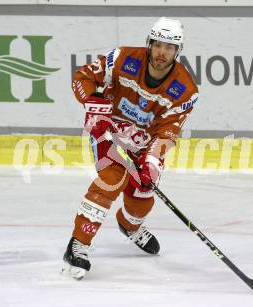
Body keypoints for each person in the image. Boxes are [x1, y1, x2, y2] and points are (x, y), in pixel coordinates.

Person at [62, 17, 199, 280]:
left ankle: (130, 225)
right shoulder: (122, 58)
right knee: (112, 179)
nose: (162, 53)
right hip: (108, 131)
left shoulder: (185, 90)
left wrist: (152, 161)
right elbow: (83, 77)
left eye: (169, 48)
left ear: (177, 51)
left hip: (144, 143)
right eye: (158, 45)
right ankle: (78, 244)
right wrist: (92, 101)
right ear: (150, 43)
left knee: (143, 189)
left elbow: (167, 132)